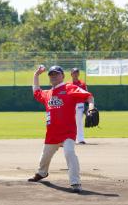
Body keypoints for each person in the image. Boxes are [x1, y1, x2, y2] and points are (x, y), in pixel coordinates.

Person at [28, 65, 95, 193]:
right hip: (52, 134)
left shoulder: (70, 88)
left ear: (62, 76)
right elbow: (36, 91)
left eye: (56, 74)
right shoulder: (48, 94)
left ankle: (75, 182)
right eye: (51, 74)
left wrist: (91, 108)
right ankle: (42, 173)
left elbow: (89, 97)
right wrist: (36, 75)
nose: (53, 76)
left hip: (67, 133)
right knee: (44, 158)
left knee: (69, 153)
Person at [69, 67, 88, 144]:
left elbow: (86, 95)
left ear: (79, 74)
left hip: (80, 104)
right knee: (70, 122)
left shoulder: (82, 84)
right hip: (70, 105)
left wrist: (87, 106)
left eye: (77, 72)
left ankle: (80, 139)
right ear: (71, 74)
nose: (75, 74)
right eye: (74, 72)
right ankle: (69, 139)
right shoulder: (68, 84)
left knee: (79, 122)